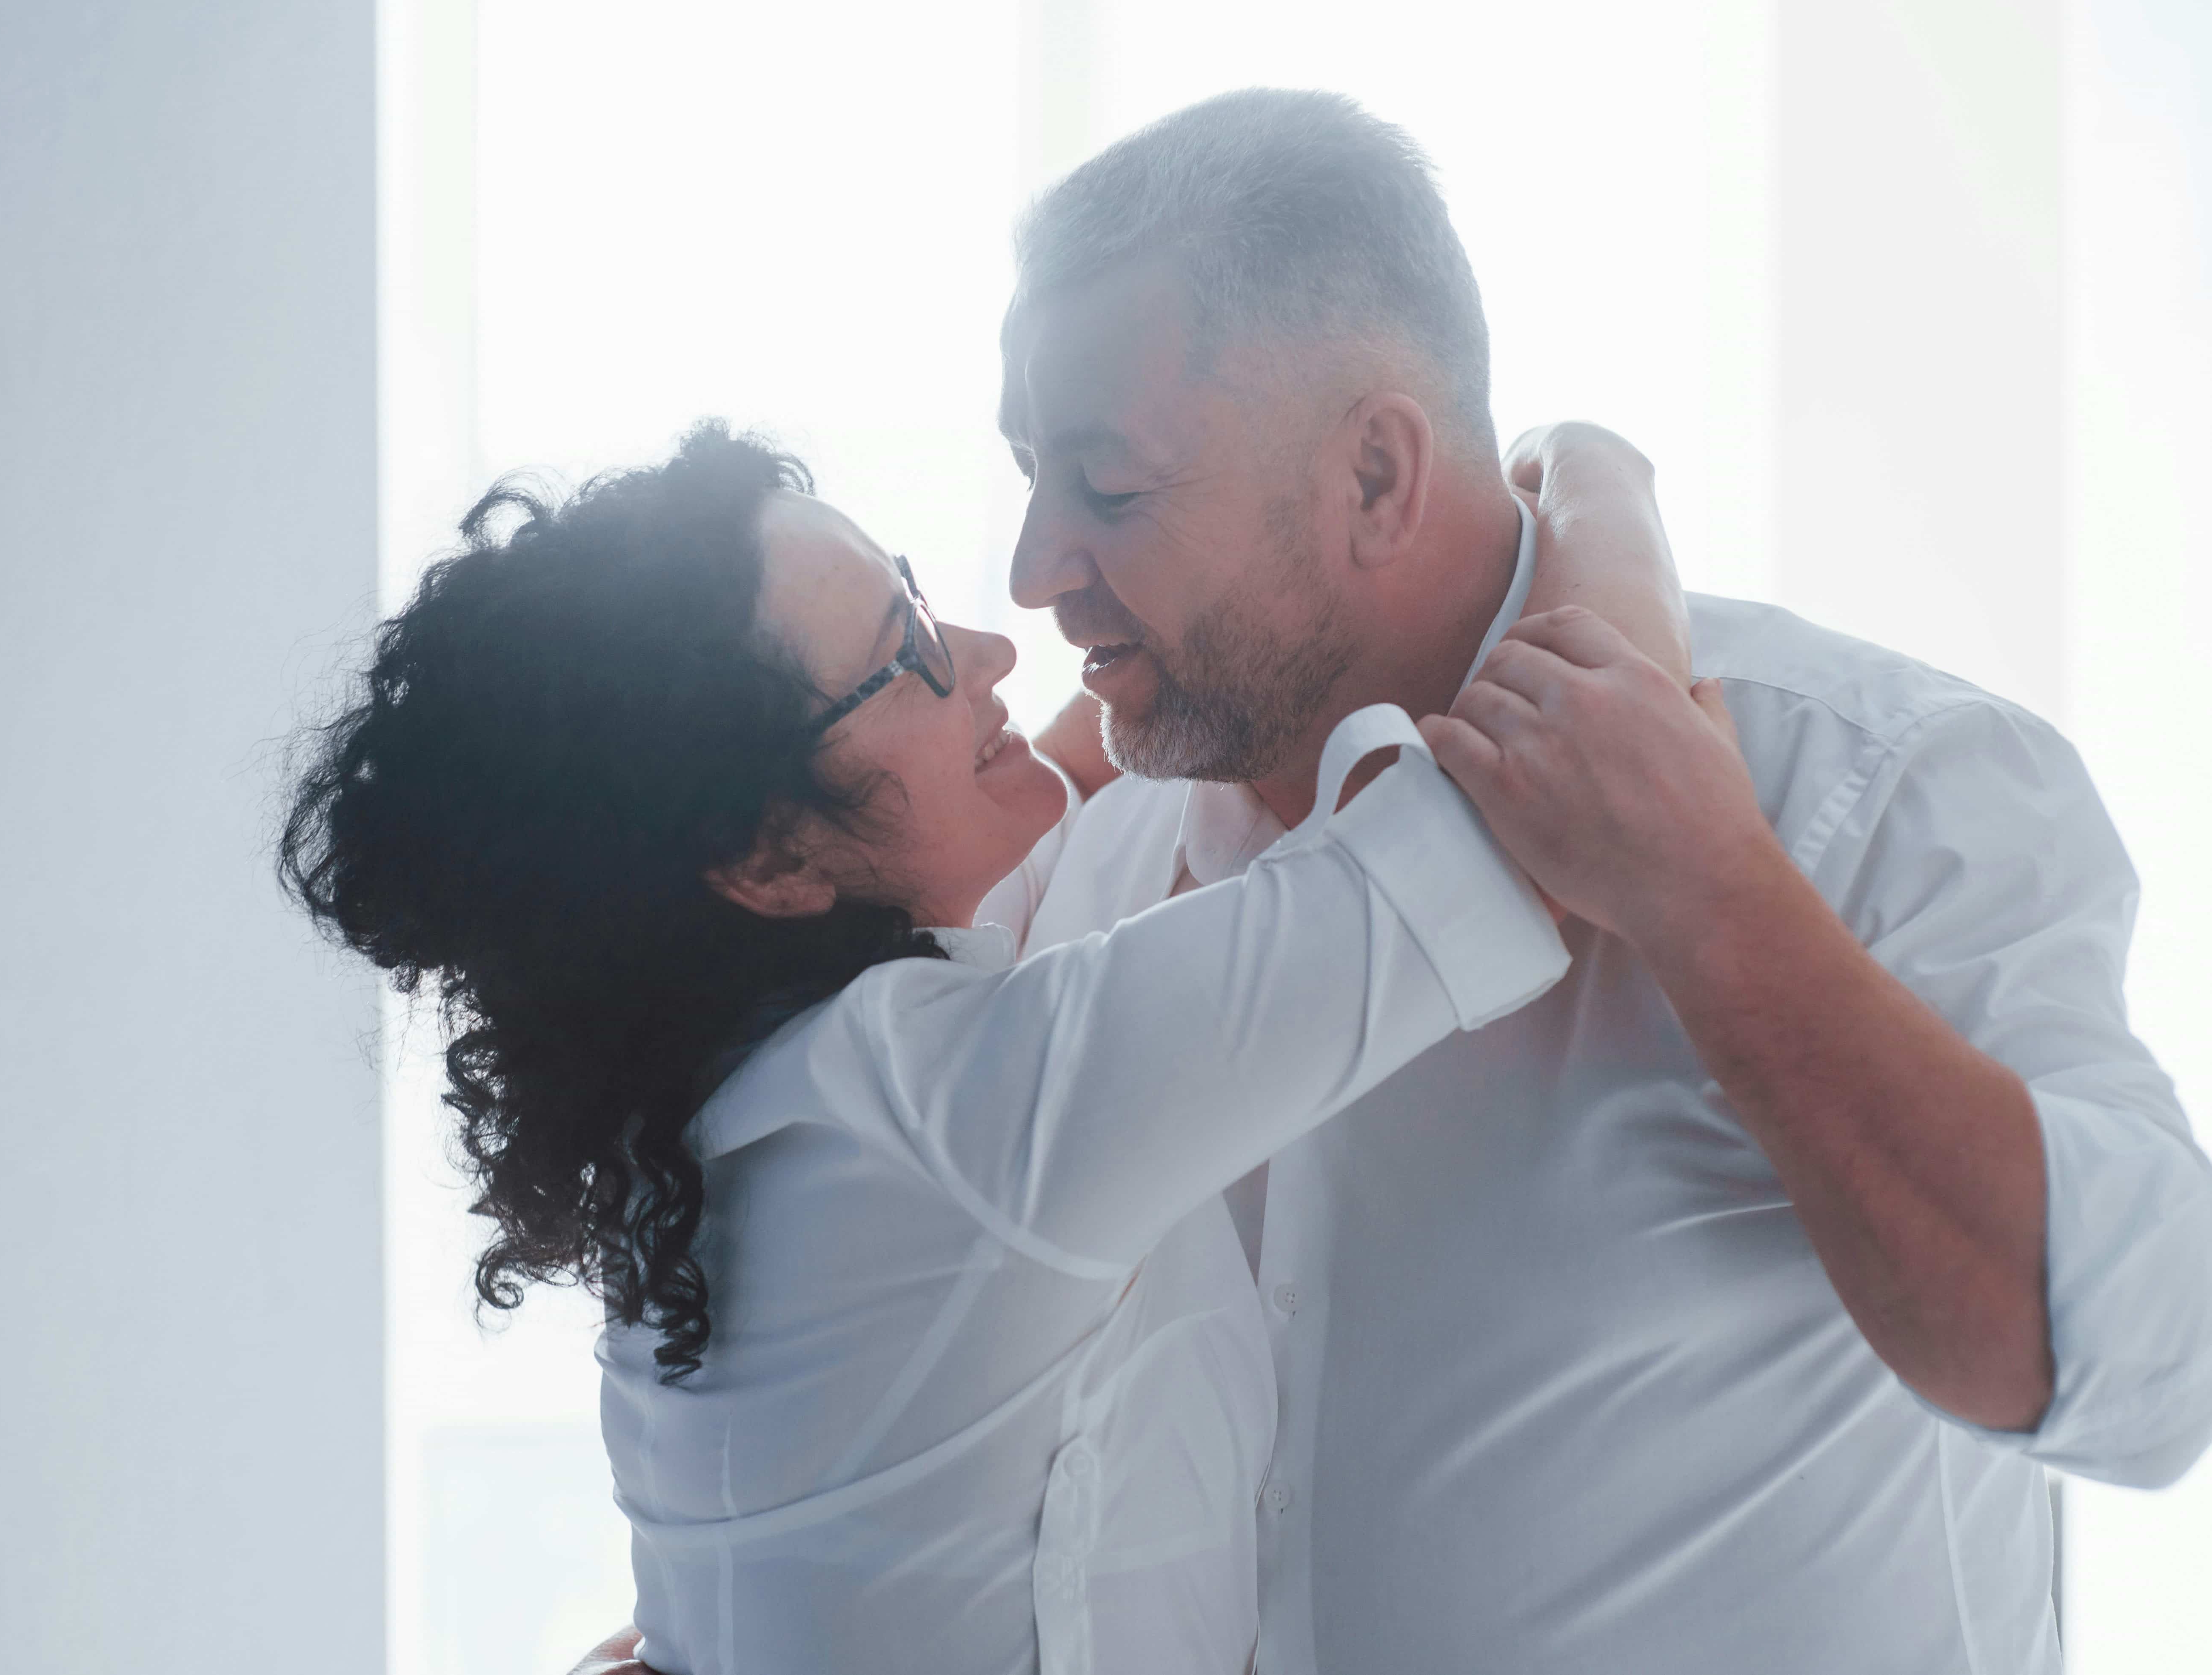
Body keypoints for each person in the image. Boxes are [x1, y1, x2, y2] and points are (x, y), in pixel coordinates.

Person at [966, 88, 2212, 1675]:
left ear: (1373, 476)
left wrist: (1711, 897)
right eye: (1027, 472)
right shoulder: (1083, 874)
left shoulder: (1867, 784)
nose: (1032, 568)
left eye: (1107, 488)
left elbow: (2150, 1376)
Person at [285, 419, 1698, 1674]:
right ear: (768, 859)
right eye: (906, 654)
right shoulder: (966, 1111)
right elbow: (1545, 819)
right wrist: (1592, 470)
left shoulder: (728, 1108)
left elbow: (1072, 762)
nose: (988, 652)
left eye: (915, 589)